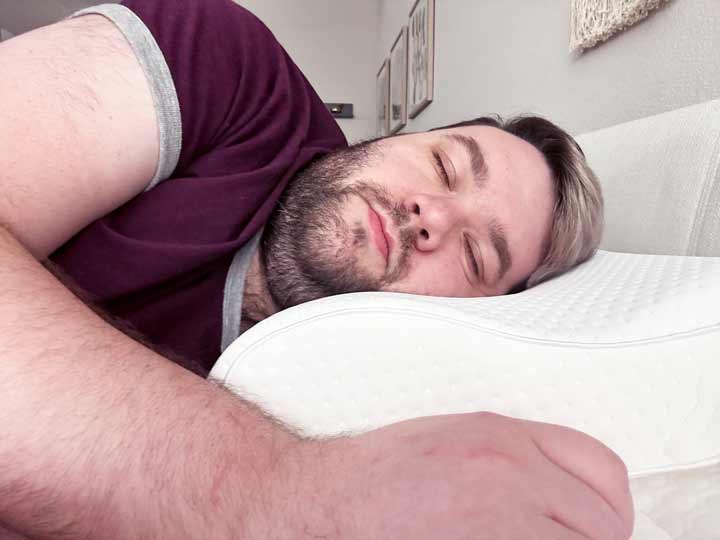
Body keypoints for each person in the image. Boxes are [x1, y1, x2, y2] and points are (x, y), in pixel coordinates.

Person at [0, 1, 630, 539]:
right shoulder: (227, 64)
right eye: (443, 166)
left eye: (474, 255)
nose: (430, 213)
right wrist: (284, 491)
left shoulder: (369, 401)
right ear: (393, 138)